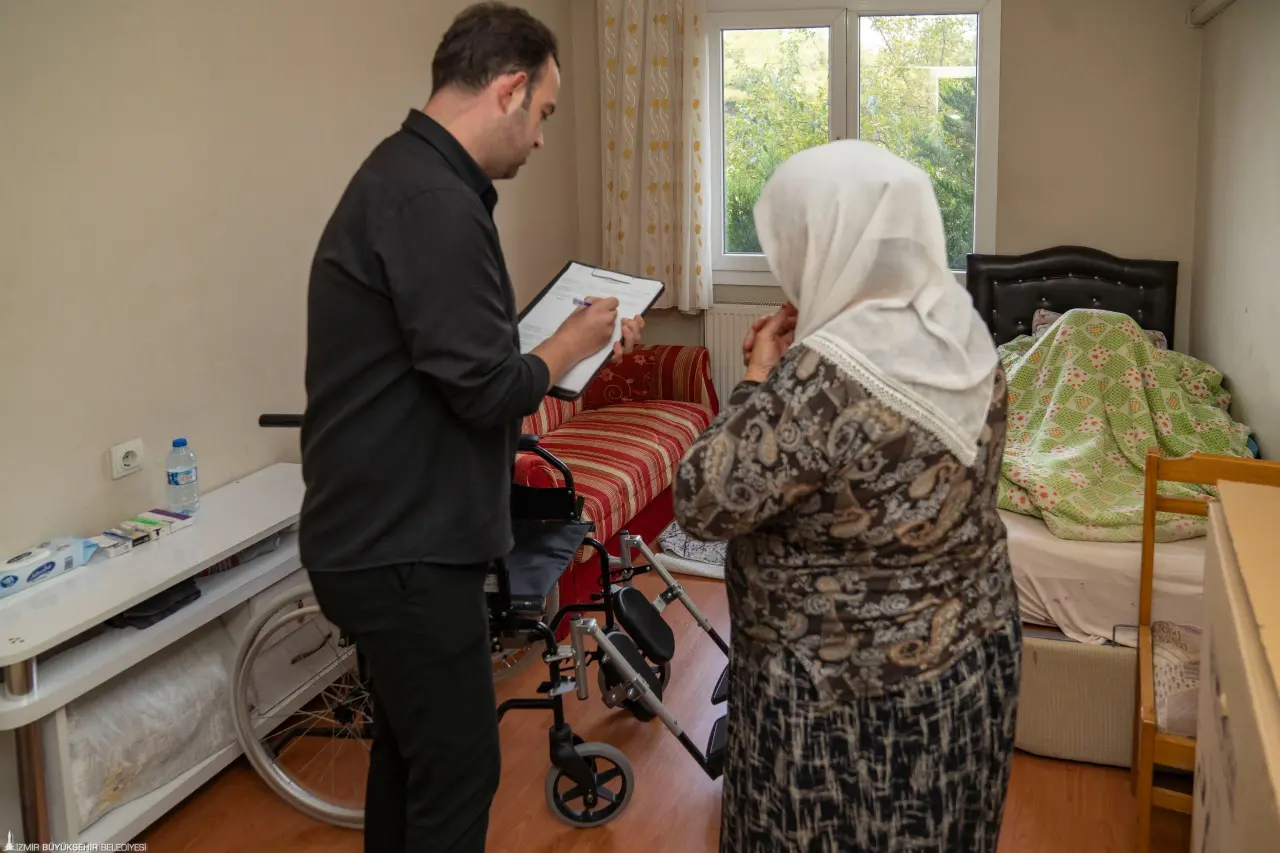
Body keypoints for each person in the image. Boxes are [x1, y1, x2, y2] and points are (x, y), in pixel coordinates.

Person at [298, 4, 642, 851]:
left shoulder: (412, 179)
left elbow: (460, 359)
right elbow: (489, 390)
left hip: (383, 537)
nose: (540, 137)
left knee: (411, 759)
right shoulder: (431, 201)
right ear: (510, 89)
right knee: (457, 773)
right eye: (544, 113)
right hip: (403, 547)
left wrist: (575, 344)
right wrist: (568, 343)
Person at [673, 140, 1021, 853]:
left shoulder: (825, 377)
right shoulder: (963, 338)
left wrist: (758, 379)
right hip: (965, 664)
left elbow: (703, 499)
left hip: (838, 696)